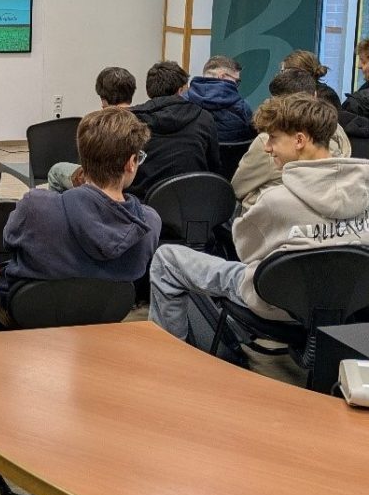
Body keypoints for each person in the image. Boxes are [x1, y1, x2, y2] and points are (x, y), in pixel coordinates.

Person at [149, 93, 369, 347]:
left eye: (273, 138)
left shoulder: (275, 201)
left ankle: (170, 353)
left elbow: (246, 254)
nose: (267, 147)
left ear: (299, 140)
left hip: (276, 303)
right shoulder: (364, 191)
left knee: (166, 259)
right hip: (348, 304)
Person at [0, 108, 161, 326]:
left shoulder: (35, 206)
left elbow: (9, 242)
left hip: (25, 316)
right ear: (131, 163)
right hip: (101, 318)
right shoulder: (149, 224)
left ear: (82, 158)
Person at [232, 69, 351, 214]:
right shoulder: (336, 130)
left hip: (270, 217)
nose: (268, 148)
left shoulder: (269, 142)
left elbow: (237, 188)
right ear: (314, 95)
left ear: (277, 103)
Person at [127, 61, 220, 200]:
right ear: (181, 90)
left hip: (140, 204)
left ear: (148, 90)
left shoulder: (129, 120)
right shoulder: (204, 118)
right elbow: (214, 167)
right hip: (193, 202)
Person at [47, 66, 136, 192]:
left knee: (56, 171)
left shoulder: (97, 123)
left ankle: (63, 204)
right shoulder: (142, 121)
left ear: (103, 98)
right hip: (131, 180)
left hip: (102, 179)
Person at [185, 55, 254, 143]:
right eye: (236, 81)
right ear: (222, 76)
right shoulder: (242, 108)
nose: (236, 86)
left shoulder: (182, 101)